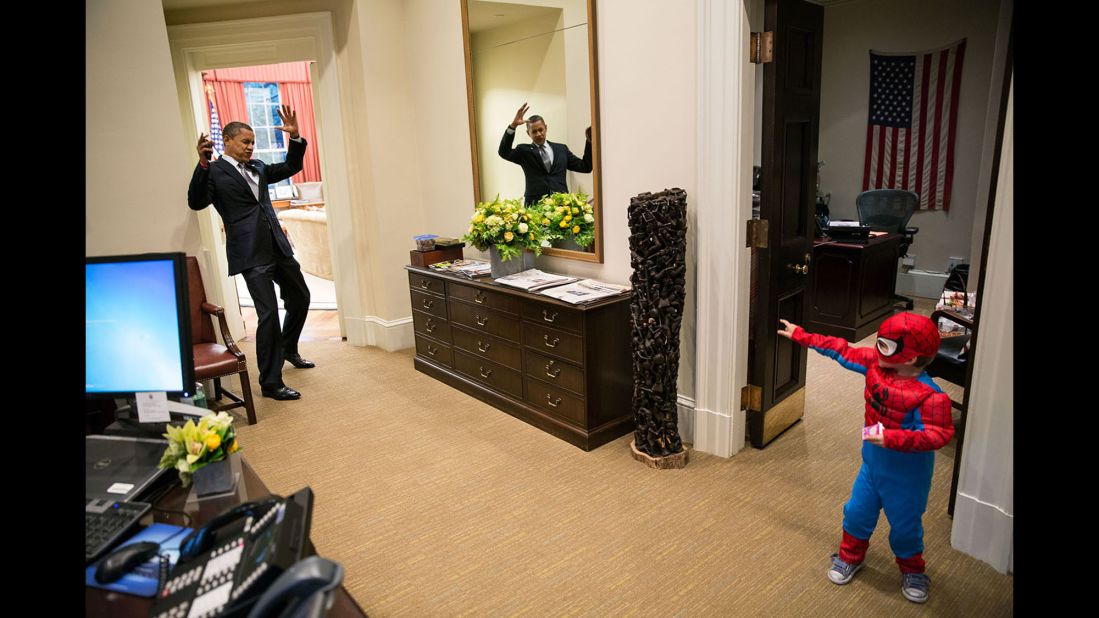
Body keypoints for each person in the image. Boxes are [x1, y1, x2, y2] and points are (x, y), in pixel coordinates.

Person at [777, 312, 953, 604]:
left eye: (885, 345)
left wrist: (891, 438)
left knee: (906, 528)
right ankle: (850, 556)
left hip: (907, 477)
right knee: (857, 514)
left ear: (910, 358)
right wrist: (801, 335)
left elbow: (938, 435)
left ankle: (913, 570)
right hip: (872, 466)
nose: (877, 349)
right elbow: (841, 349)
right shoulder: (875, 365)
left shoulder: (931, 397)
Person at [187, 106, 315, 402]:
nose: (250, 147)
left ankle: (288, 348)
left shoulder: (258, 166)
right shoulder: (214, 172)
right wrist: (202, 164)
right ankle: (271, 383)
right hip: (250, 252)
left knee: (300, 296)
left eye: (252, 142)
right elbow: (196, 202)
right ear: (228, 140)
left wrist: (295, 138)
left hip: (276, 246)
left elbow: (290, 168)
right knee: (268, 313)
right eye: (245, 142)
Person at [498, 102, 592, 205]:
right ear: (528, 133)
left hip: (561, 205)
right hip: (535, 206)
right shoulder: (524, 151)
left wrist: (589, 140)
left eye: (540, 130)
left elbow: (585, 167)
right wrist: (513, 125)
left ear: (545, 128)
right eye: (534, 131)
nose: (538, 134)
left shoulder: (561, 149)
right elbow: (504, 152)